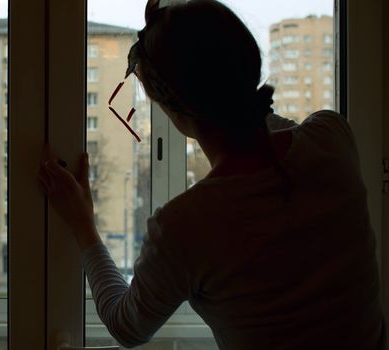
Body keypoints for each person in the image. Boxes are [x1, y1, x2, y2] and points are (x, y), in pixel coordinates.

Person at [37, 0, 386, 349]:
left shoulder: (186, 227)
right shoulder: (332, 138)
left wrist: (83, 226)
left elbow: (126, 325)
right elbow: (258, 121)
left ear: (173, 110)